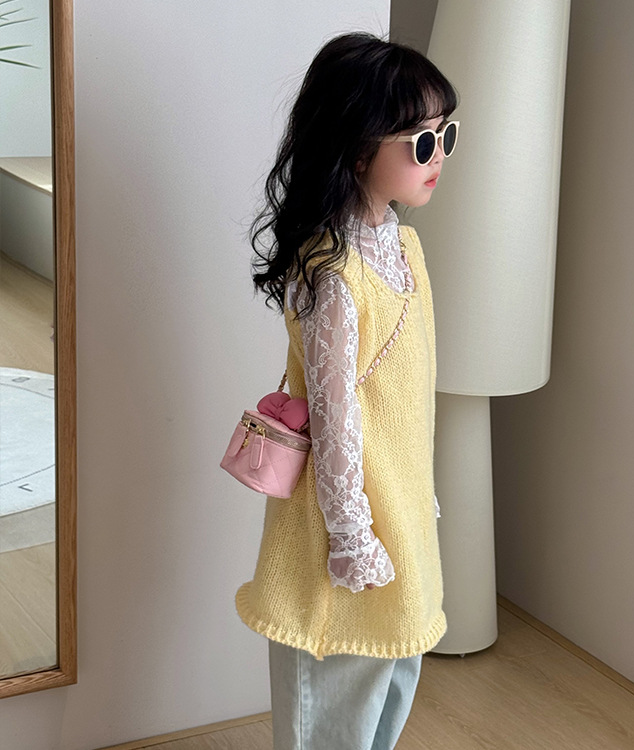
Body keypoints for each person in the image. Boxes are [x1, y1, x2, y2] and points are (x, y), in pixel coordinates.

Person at [235, 31, 460, 750]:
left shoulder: (405, 247)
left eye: (446, 134)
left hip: (397, 509)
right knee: (331, 701)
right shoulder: (333, 276)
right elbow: (336, 422)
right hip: (340, 527)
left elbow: (409, 398)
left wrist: (414, 500)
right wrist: (353, 536)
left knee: (390, 677)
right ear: (359, 150)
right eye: (420, 142)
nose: (439, 155)